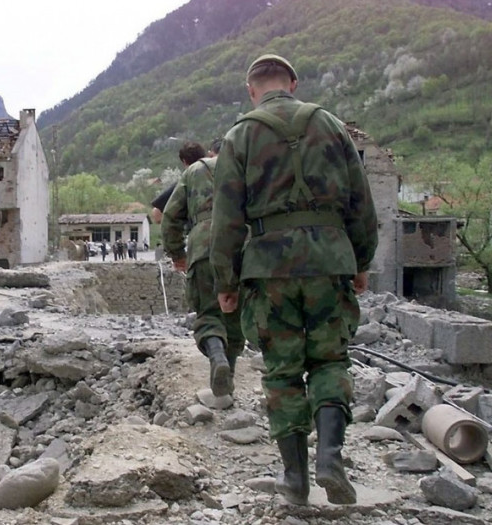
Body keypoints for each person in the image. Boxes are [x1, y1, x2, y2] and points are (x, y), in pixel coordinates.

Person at [209, 54, 378, 506]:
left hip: (268, 268)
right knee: (329, 360)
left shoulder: (240, 134)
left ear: (251, 90)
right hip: (329, 260)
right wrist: (360, 261)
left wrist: (225, 281)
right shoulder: (332, 126)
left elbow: (225, 218)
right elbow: (362, 203)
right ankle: (330, 458)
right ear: (294, 84)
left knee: (282, 371)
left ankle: (295, 480)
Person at [161, 140, 245, 398]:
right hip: (241, 245)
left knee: (209, 312)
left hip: (204, 246)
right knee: (234, 314)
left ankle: (217, 358)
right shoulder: (243, 168)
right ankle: (227, 378)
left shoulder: (193, 171)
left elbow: (170, 216)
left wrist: (177, 253)